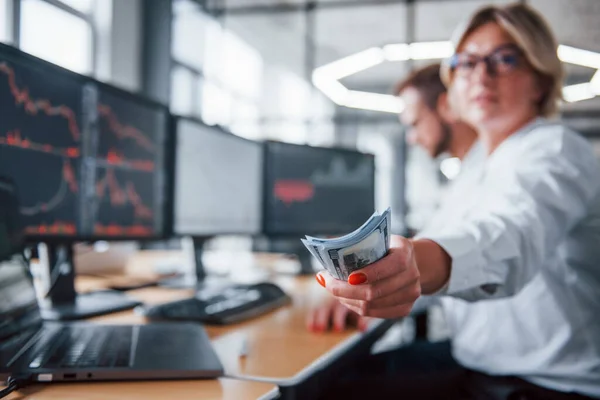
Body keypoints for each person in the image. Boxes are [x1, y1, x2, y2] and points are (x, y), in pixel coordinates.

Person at [315, 3, 600, 399]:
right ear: (454, 88)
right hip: (479, 360)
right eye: (467, 63)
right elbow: (435, 255)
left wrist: (413, 262)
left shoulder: (555, 150)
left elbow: (508, 236)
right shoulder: (474, 168)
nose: (482, 74)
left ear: (540, 81)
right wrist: (376, 287)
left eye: (505, 58)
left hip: (548, 382)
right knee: (332, 380)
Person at [306, 62, 480, 333]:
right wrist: (375, 292)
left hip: (523, 367)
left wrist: (410, 265)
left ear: (446, 106)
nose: (411, 138)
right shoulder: (465, 178)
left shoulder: (517, 163)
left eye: (415, 123)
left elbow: (491, 244)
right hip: (471, 348)